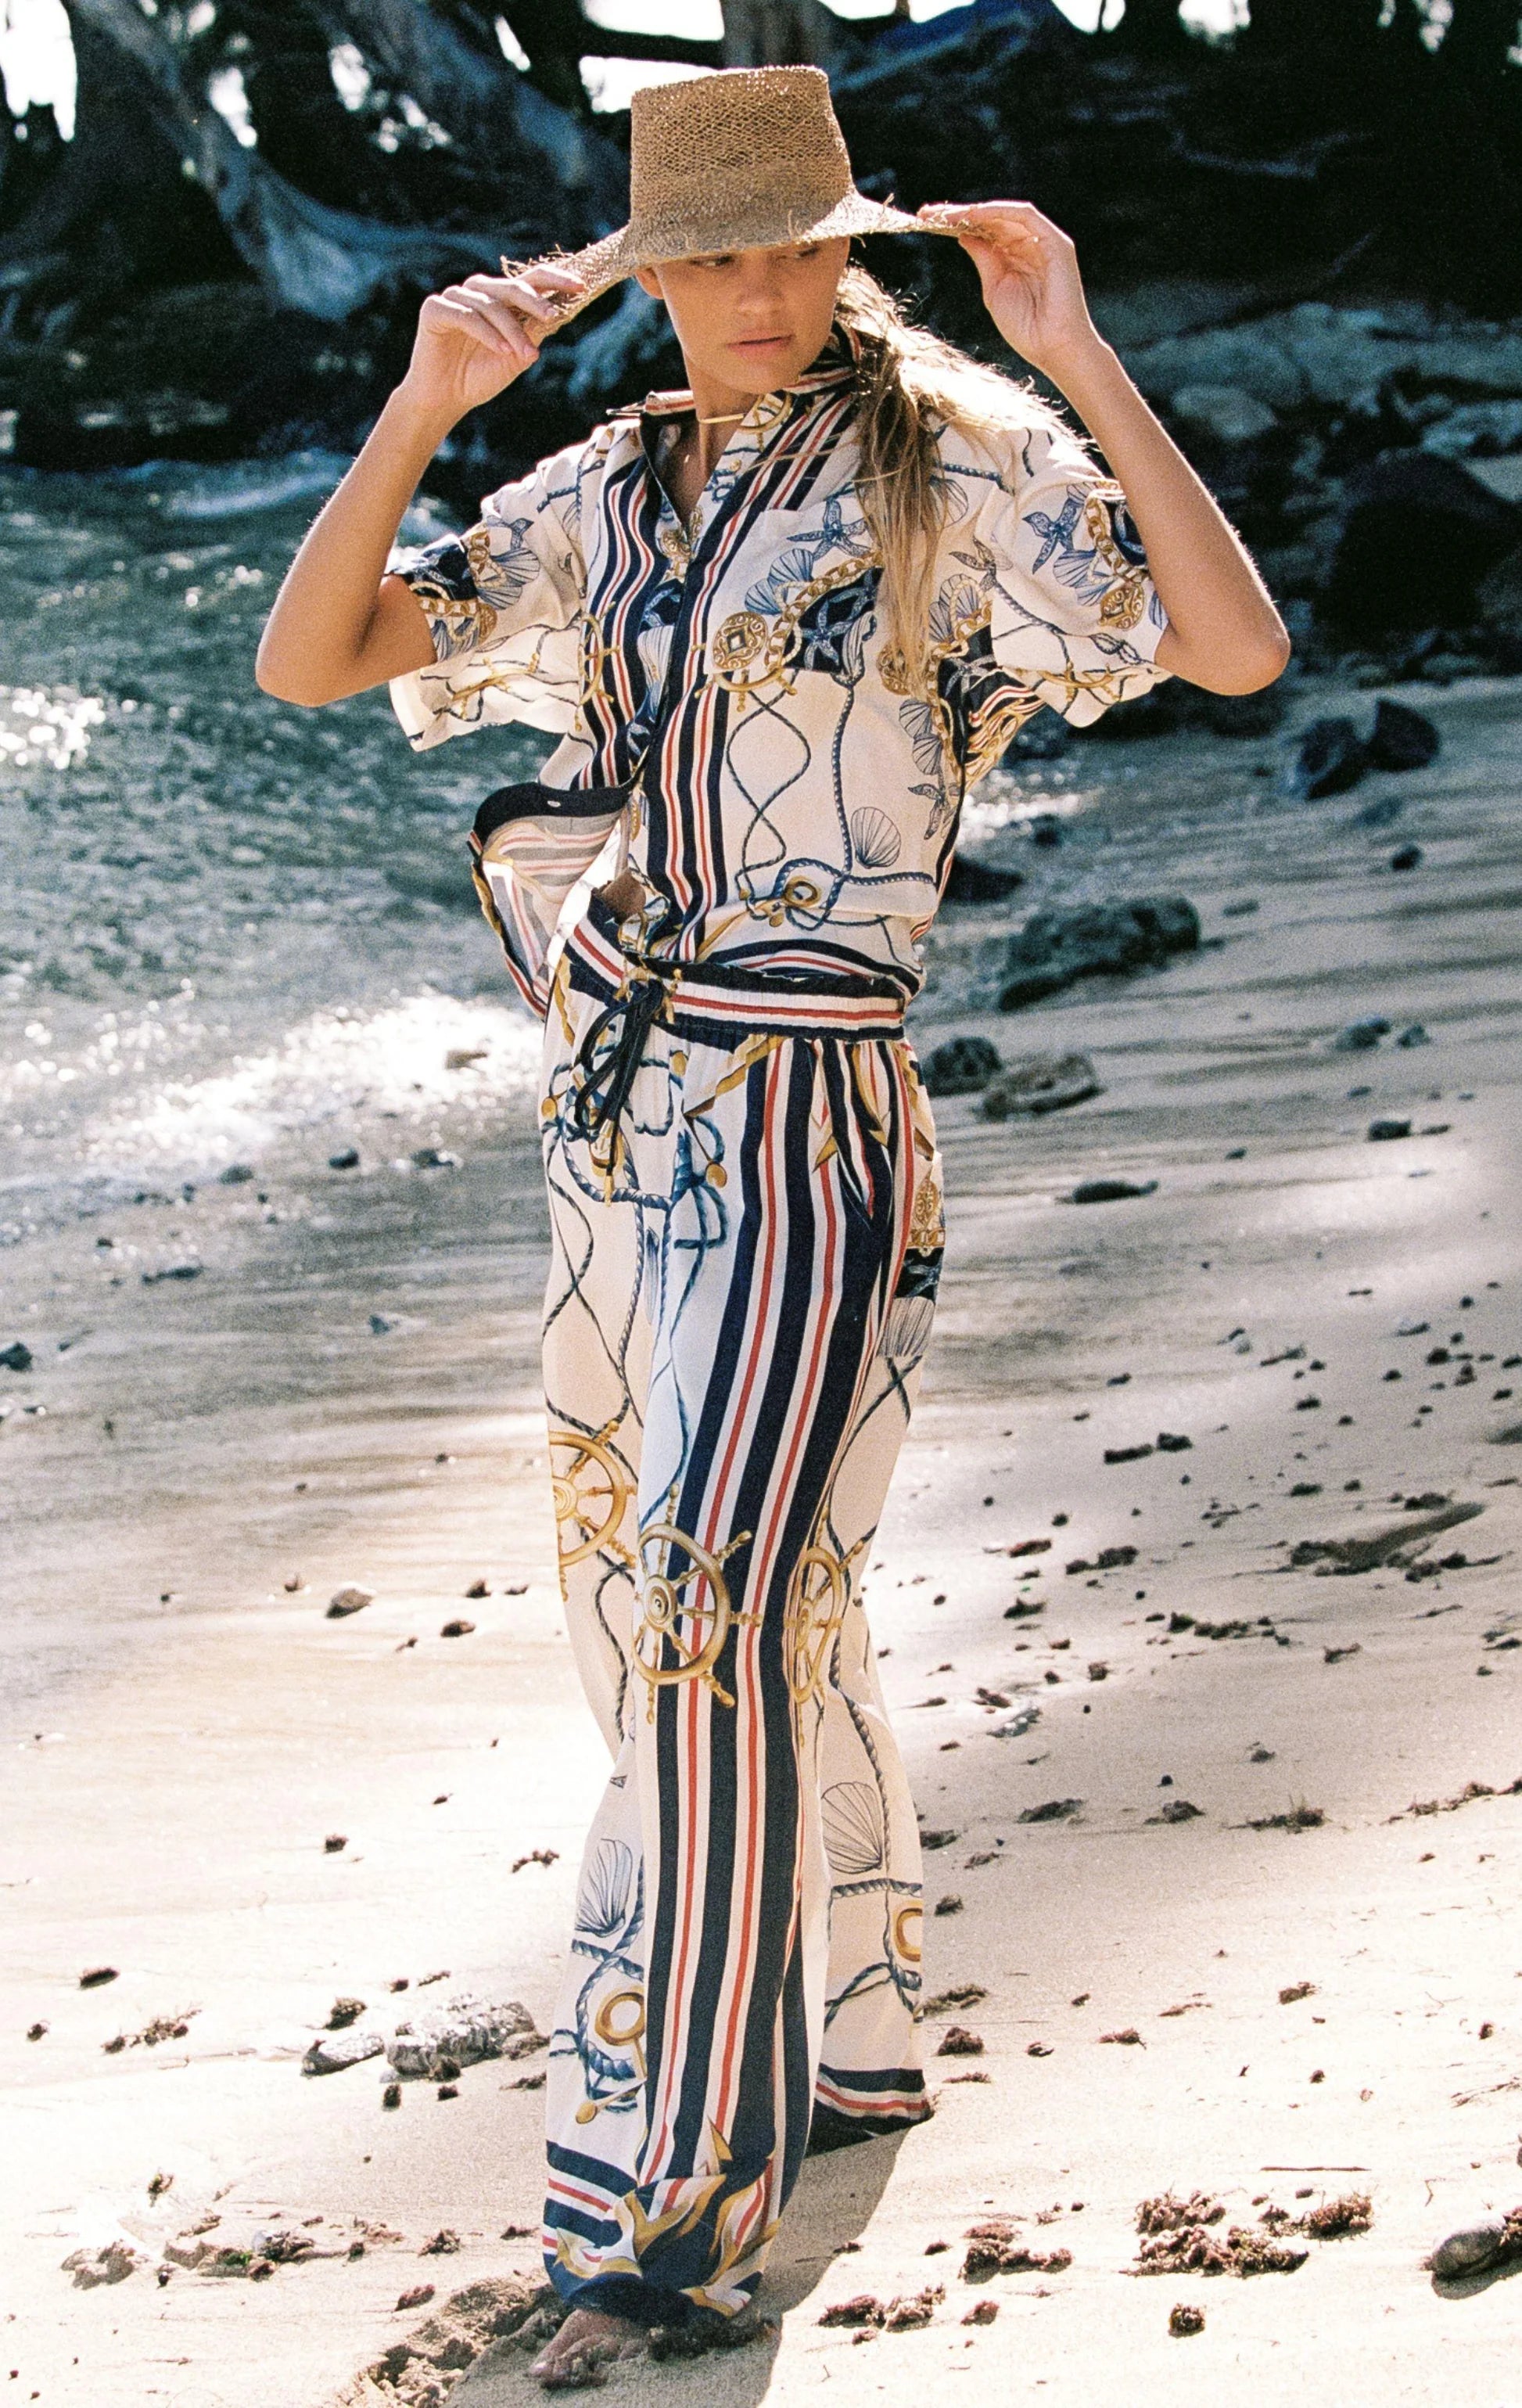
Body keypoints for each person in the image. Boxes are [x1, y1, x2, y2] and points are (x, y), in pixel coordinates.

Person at [256, 63, 1289, 2387]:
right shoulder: (606, 492)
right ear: (650, 278)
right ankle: (847, 2028)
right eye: (704, 255)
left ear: (844, 257)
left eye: (787, 249)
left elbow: (1229, 652)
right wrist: (422, 404)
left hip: (818, 1106)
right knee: (680, 1605)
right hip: (617, 1123)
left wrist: (1076, 354)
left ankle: (675, 2189)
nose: (747, 291)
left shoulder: (957, 469)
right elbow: (316, 659)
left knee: (715, 1603)